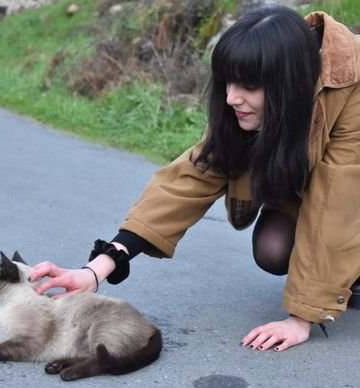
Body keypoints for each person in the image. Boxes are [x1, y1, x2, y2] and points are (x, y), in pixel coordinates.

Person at [31, 5, 360, 352]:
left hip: (351, 187)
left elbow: (336, 204)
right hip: (306, 179)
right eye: (228, 82)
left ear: (288, 83)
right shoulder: (250, 104)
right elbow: (188, 179)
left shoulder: (351, 88)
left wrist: (300, 318)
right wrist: (98, 267)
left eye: (249, 85)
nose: (232, 98)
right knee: (273, 248)